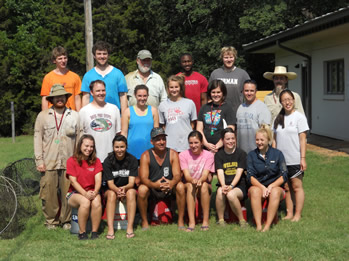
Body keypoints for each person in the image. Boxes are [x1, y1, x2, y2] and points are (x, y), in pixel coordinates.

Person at [34, 84, 81, 230]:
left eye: (62, 96)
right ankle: (51, 221)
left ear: (66, 98)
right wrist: (39, 160)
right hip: (49, 162)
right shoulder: (42, 116)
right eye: (56, 97)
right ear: (51, 99)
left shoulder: (74, 116)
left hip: (69, 162)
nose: (59, 99)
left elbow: (79, 139)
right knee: (49, 194)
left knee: (68, 193)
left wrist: (78, 161)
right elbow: (37, 139)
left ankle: (66, 220)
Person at [137, 127, 185, 229]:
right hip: (153, 187)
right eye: (158, 140)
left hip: (169, 187)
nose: (162, 142)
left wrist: (172, 183)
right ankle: (145, 222)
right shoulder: (146, 155)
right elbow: (144, 178)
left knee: (180, 186)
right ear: (152, 142)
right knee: (142, 189)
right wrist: (155, 185)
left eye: (163, 139)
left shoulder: (172, 153)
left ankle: (180, 220)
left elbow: (177, 175)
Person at [273, 90, 309, 222]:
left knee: (296, 187)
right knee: (287, 187)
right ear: (281, 102)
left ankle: (297, 214)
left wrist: (303, 159)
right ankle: (289, 213)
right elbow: (274, 140)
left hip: (295, 159)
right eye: (284, 100)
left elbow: (302, 139)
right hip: (282, 160)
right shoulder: (278, 118)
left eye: (289, 99)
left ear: (293, 100)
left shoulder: (299, 118)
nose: (287, 102)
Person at [247, 125, 288, 232]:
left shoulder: (277, 154)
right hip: (258, 186)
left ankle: (267, 226)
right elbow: (250, 176)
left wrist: (271, 186)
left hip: (275, 187)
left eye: (262, 140)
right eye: (257, 140)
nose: (259, 142)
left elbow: (284, 175)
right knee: (255, 191)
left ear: (268, 140)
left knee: (274, 192)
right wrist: (262, 187)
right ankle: (258, 225)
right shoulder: (251, 155)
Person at [66, 135, 102, 240]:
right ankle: (82, 232)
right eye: (86, 146)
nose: (89, 149)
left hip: (92, 191)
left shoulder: (97, 161)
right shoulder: (71, 161)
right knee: (85, 202)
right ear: (80, 145)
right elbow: (73, 181)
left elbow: (98, 180)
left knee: (97, 201)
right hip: (74, 193)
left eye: (91, 146)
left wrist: (95, 192)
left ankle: (95, 232)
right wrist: (84, 193)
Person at [102, 135, 138, 239]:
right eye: (116, 147)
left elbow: (131, 183)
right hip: (112, 189)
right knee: (112, 195)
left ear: (126, 146)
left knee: (131, 193)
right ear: (113, 147)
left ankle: (130, 228)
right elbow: (110, 184)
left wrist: (124, 189)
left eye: (122, 147)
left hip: (127, 188)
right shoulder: (108, 161)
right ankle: (110, 229)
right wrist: (118, 190)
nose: (119, 150)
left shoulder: (132, 159)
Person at [179, 131, 214, 231]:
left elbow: (205, 174)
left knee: (203, 186)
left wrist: (200, 180)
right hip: (190, 184)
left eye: (196, 142)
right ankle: (191, 223)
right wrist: (192, 180)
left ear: (201, 143)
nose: (193, 145)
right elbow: (186, 175)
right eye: (191, 143)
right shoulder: (183, 155)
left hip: (203, 184)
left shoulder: (209, 155)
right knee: (190, 186)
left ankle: (205, 221)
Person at [79, 80, 121, 162]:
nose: (101, 93)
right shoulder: (84, 111)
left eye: (103, 90)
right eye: (98, 91)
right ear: (91, 92)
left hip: (111, 158)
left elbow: (118, 134)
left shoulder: (114, 109)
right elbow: (80, 137)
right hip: (91, 157)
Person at [81, 41, 128, 113]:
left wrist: (124, 116)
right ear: (94, 56)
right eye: (99, 54)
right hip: (93, 116)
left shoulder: (118, 74)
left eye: (104, 54)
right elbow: (86, 97)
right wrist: (84, 115)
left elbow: (123, 96)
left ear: (108, 55)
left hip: (114, 116)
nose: (102, 56)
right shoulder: (88, 76)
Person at [215, 128, 248, 227]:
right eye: (228, 139)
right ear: (223, 140)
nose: (231, 141)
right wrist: (224, 185)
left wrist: (231, 186)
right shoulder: (219, 155)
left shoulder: (241, 154)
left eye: (233, 138)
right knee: (220, 192)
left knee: (231, 195)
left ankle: (242, 221)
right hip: (225, 184)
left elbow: (239, 173)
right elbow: (220, 172)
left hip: (239, 186)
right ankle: (221, 220)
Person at [158, 75, 197, 152]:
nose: (174, 89)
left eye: (176, 87)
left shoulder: (189, 103)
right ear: (168, 89)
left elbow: (192, 124)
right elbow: (162, 125)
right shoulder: (162, 105)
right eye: (171, 87)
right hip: (170, 145)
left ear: (180, 88)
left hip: (186, 145)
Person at [197, 80, 236, 153]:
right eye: (213, 92)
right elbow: (199, 129)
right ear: (210, 93)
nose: (216, 95)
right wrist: (206, 144)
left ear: (223, 93)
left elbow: (231, 128)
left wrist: (217, 146)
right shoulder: (204, 107)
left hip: (222, 148)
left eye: (218, 92)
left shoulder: (228, 108)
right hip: (206, 148)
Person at [121, 85, 159, 160]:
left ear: (148, 95)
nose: (142, 98)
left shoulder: (153, 110)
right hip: (131, 151)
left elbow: (156, 133)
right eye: (139, 96)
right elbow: (124, 133)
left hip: (150, 150)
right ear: (135, 95)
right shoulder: (128, 111)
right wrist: (122, 148)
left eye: (144, 96)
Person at [209, 46, 250, 113]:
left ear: (235, 58)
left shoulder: (242, 74)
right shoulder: (215, 73)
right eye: (226, 57)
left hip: (237, 111)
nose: (229, 60)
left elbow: (249, 93)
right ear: (222, 58)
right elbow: (209, 94)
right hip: (218, 111)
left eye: (231, 57)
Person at [41, 46, 81, 111]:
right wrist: (45, 115)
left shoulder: (75, 77)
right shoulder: (48, 77)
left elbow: (77, 97)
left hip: (71, 114)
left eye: (65, 58)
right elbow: (45, 98)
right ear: (54, 60)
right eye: (60, 59)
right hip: (54, 114)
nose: (63, 61)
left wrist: (79, 114)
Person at [236, 80, 271, 154]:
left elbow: (266, 132)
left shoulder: (262, 107)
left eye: (252, 91)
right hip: (241, 152)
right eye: (246, 91)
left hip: (257, 152)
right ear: (242, 91)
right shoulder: (240, 107)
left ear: (256, 91)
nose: (249, 93)